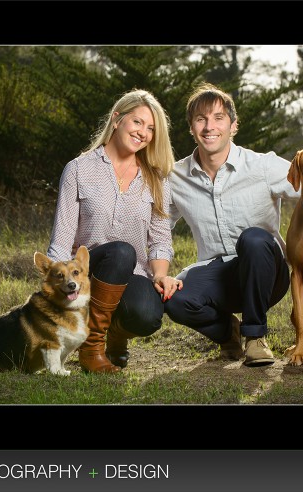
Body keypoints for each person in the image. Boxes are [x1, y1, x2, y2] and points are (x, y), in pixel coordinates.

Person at [164, 83, 303, 367]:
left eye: (218, 118)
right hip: (219, 274)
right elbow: (155, 228)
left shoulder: (263, 166)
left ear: (233, 125)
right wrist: (159, 273)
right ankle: (227, 333)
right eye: (201, 119)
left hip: (267, 271)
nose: (209, 127)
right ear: (191, 128)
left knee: (253, 238)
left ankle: (255, 338)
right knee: (174, 300)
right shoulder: (176, 177)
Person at [46, 88, 181, 373]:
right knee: (121, 251)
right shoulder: (79, 170)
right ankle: (91, 347)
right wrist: (54, 291)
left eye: (151, 128)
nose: (143, 132)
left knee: (148, 316)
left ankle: (116, 336)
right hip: (84, 277)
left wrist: (159, 275)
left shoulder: (156, 178)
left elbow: (159, 240)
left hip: (130, 276)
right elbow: (61, 241)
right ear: (117, 119)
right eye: (137, 122)